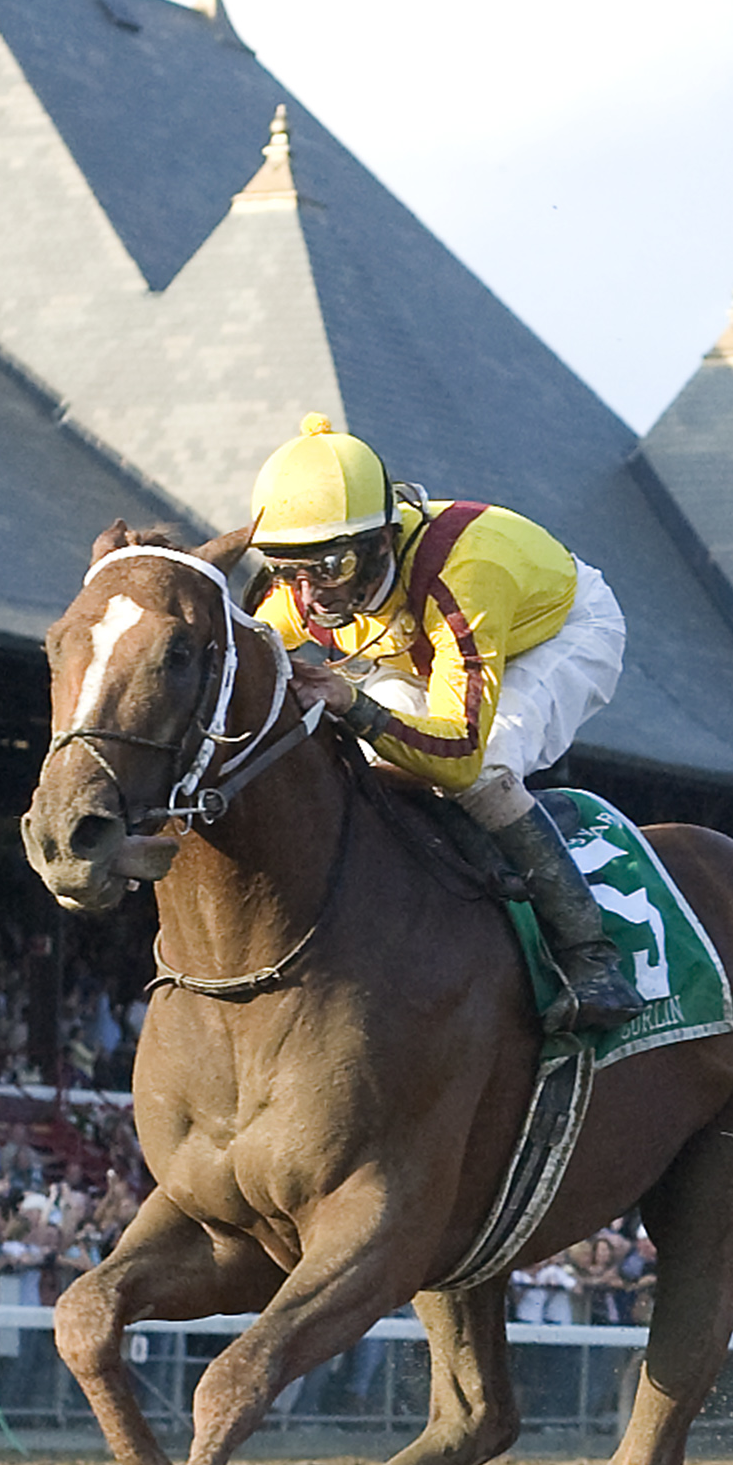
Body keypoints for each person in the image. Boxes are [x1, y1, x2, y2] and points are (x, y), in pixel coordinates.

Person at [246, 413, 643, 1034]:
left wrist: (356, 704)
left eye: (331, 569)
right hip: (422, 643)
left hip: (550, 634)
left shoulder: (466, 574)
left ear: (382, 540)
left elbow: (457, 749)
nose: (312, 595)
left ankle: (590, 957)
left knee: (483, 768)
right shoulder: (302, 585)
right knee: (362, 760)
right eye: (288, 569)